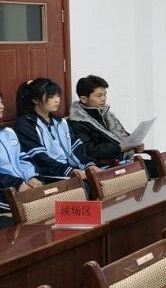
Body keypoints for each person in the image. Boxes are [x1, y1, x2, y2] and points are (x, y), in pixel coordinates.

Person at [13, 78, 100, 184]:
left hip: (70, 169)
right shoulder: (26, 124)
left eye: (58, 96)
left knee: (101, 179)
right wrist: (69, 171)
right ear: (35, 100)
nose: (57, 100)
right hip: (49, 175)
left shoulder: (61, 122)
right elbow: (39, 158)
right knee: (86, 186)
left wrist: (89, 165)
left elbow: (75, 147)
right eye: (51, 97)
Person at [67, 75, 144, 167]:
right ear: (84, 99)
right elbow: (90, 150)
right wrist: (120, 148)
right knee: (152, 168)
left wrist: (135, 147)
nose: (104, 99)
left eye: (105, 94)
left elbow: (124, 137)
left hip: (124, 162)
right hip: (104, 167)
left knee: (155, 165)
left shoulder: (108, 116)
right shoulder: (77, 123)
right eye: (99, 96)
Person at [0, 92, 43, 222]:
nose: (2, 106)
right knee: (34, 211)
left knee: (53, 200)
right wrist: (18, 184)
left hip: (22, 186)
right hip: (5, 192)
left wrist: (31, 177)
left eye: (1, 102)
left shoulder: (8, 132)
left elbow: (22, 157)